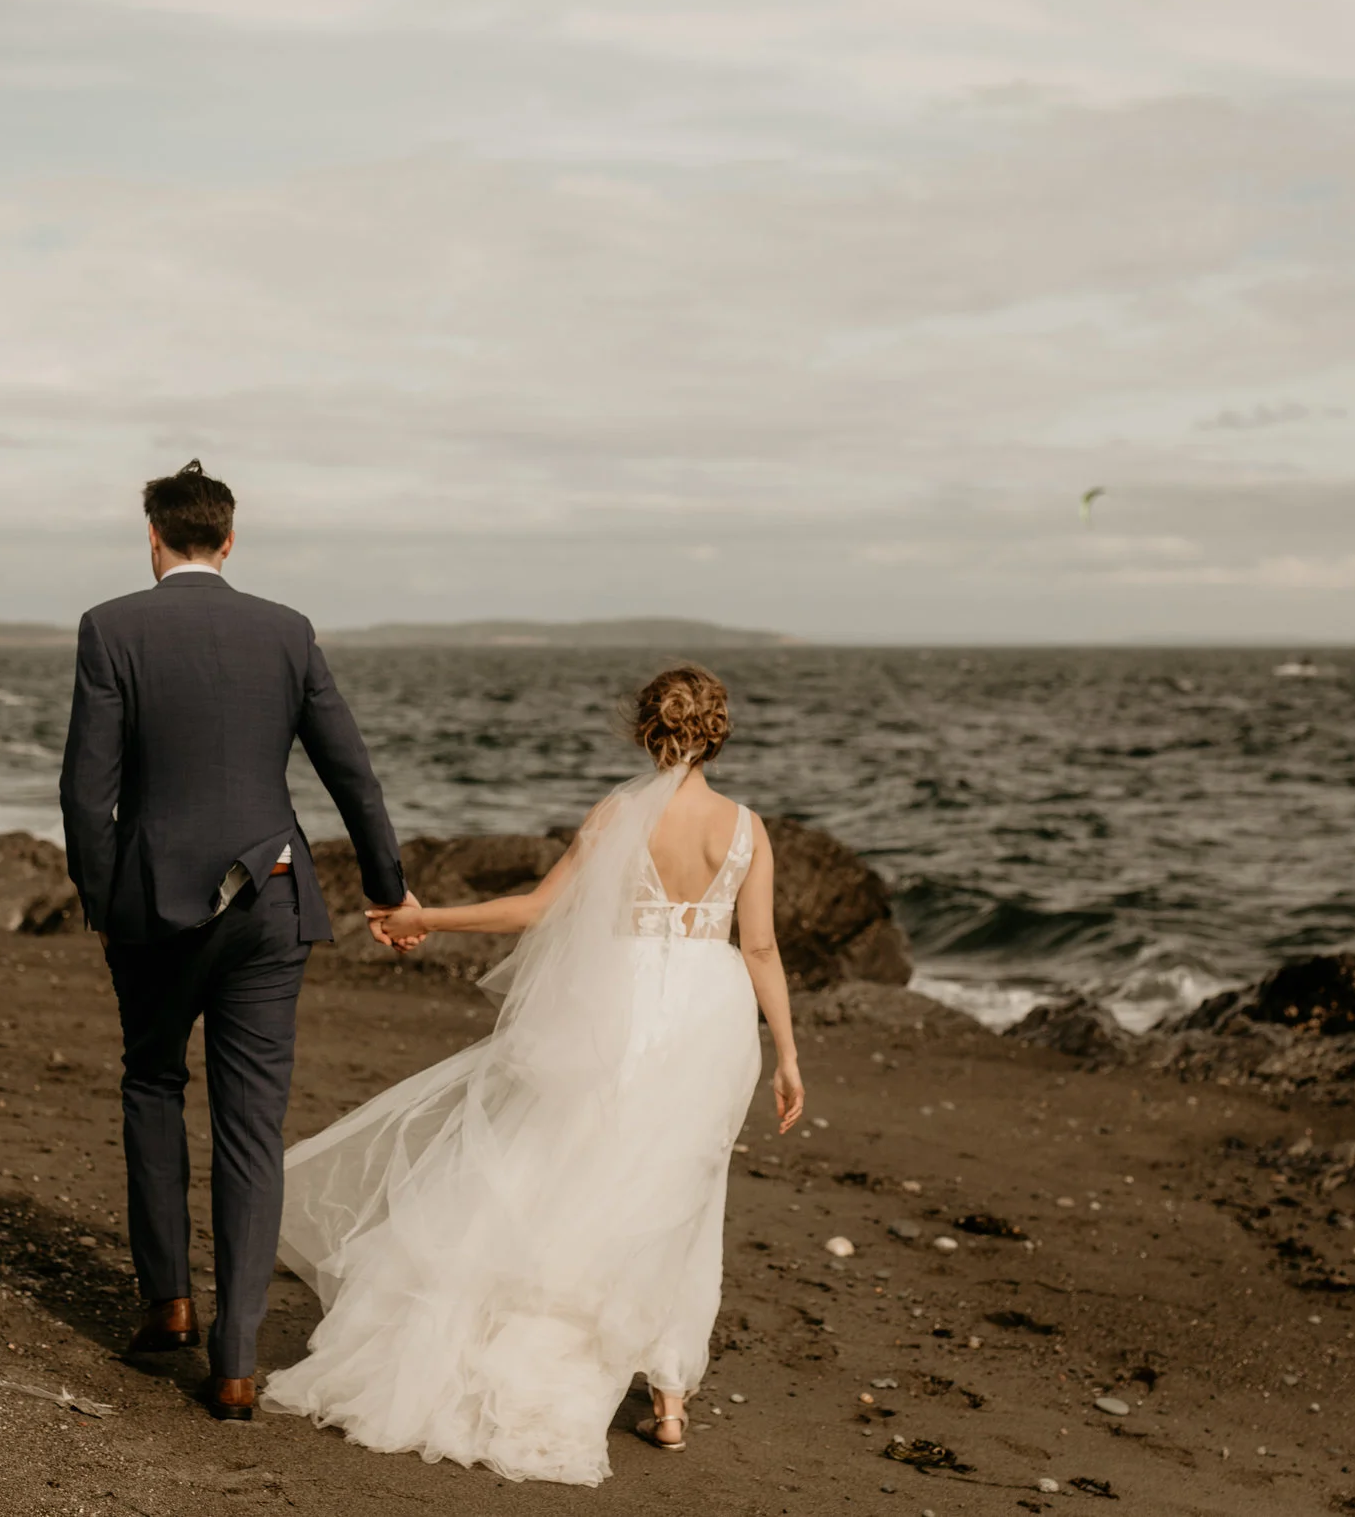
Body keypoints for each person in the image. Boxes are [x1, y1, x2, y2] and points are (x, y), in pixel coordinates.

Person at [261, 664, 806, 1484]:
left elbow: (537, 907)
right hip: (709, 1011)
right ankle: (668, 1398)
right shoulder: (746, 827)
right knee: (684, 1193)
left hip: (623, 1002)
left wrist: (425, 916)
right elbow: (758, 946)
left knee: (580, 1168)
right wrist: (790, 1054)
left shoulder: (619, 814)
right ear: (717, 733)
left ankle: (545, 1337)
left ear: (645, 728)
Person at [59, 459, 419, 1423]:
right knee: (252, 1124)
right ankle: (236, 1358)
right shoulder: (286, 630)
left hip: (152, 908)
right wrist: (390, 889)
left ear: (152, 538)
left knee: (151, 1083)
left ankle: (168, 1301)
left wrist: (103, 899)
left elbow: (86, 790)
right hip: (271, 897)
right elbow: (354, 774)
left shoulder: (112, 627)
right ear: (228, 539)